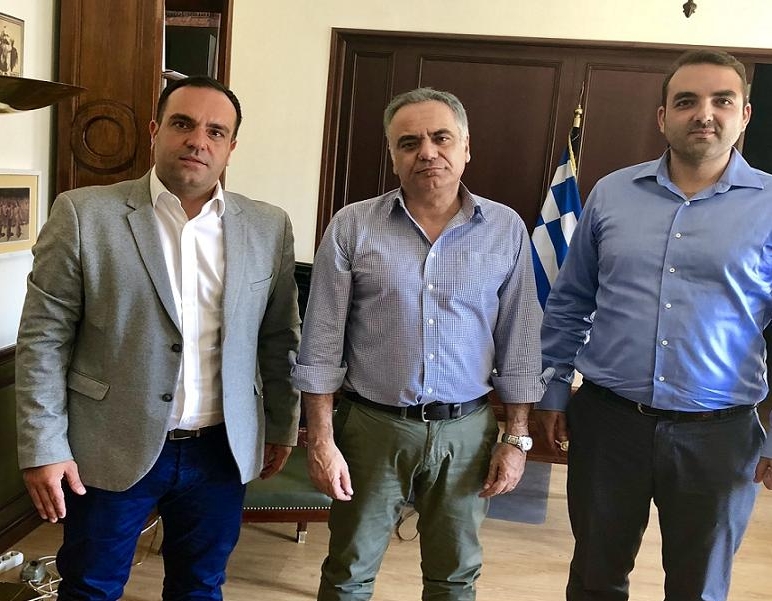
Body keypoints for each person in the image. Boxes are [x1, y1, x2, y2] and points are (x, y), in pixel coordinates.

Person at [15, 75, 301, 601]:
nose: (198, 141)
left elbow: (279, 336)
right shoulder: (84, 214)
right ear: (155, 131)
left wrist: (282, 425)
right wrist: (43, 446)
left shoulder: (268, 226)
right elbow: (43, 339)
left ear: (232, 147)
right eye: (183, 124)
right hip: (108, 443)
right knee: (90, 588)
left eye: (216, 132)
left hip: (220, 451)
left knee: (200, 588)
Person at [292, 87, 545, 601]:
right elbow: (320, 345)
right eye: (409, 142)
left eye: (441, 138)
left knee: (455, 577)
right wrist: (321, 440)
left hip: (467, 433)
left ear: (466, 147)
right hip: (372, 429)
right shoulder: (353, 227)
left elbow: (520, 340)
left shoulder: (505, 229)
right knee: (348, 572)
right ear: (393, 156)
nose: (427, 152)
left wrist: (516, 438)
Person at [537, 49, 772, 601]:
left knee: (698, 587)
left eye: (722, 101)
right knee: (595, 576)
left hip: (719, 435)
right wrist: (552, 392)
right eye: (686, 101)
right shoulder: (611, 194)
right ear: (663, 117)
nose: (704, 114)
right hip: (608, 423)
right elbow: (570, 302)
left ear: (744, 115)